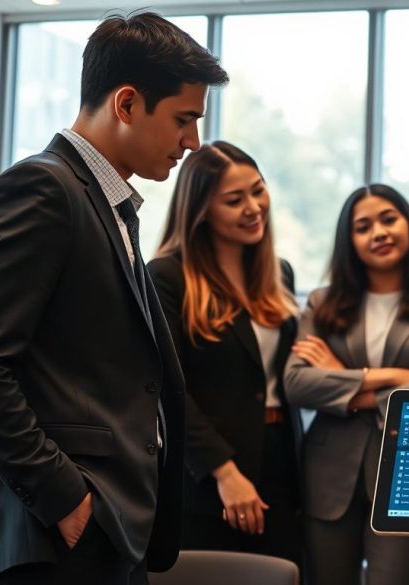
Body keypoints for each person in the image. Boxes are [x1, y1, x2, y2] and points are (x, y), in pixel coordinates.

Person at [0, 13, 228, 585]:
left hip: (106, 525)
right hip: (53, 532)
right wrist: (67, 500)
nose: (192, 142)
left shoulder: (107, 201)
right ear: (126, 104)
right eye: (184, 119)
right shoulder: (42, 189)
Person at [284, 184, 409, 585]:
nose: (378, 232)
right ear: (349, 241)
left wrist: (340, 377)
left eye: (388, 219)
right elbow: (296, 383)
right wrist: (393, 378)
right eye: (363, 226)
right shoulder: (322, 302)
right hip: (328, 478)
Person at [147, 142, 303, 567]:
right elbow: (165, 387)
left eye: (258, 190)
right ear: (200, 210)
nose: (254, 207)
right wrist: (224, 471)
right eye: (234, 200)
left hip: (280, 462)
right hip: (207, 475)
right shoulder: (167, 277)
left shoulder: (279, 272)